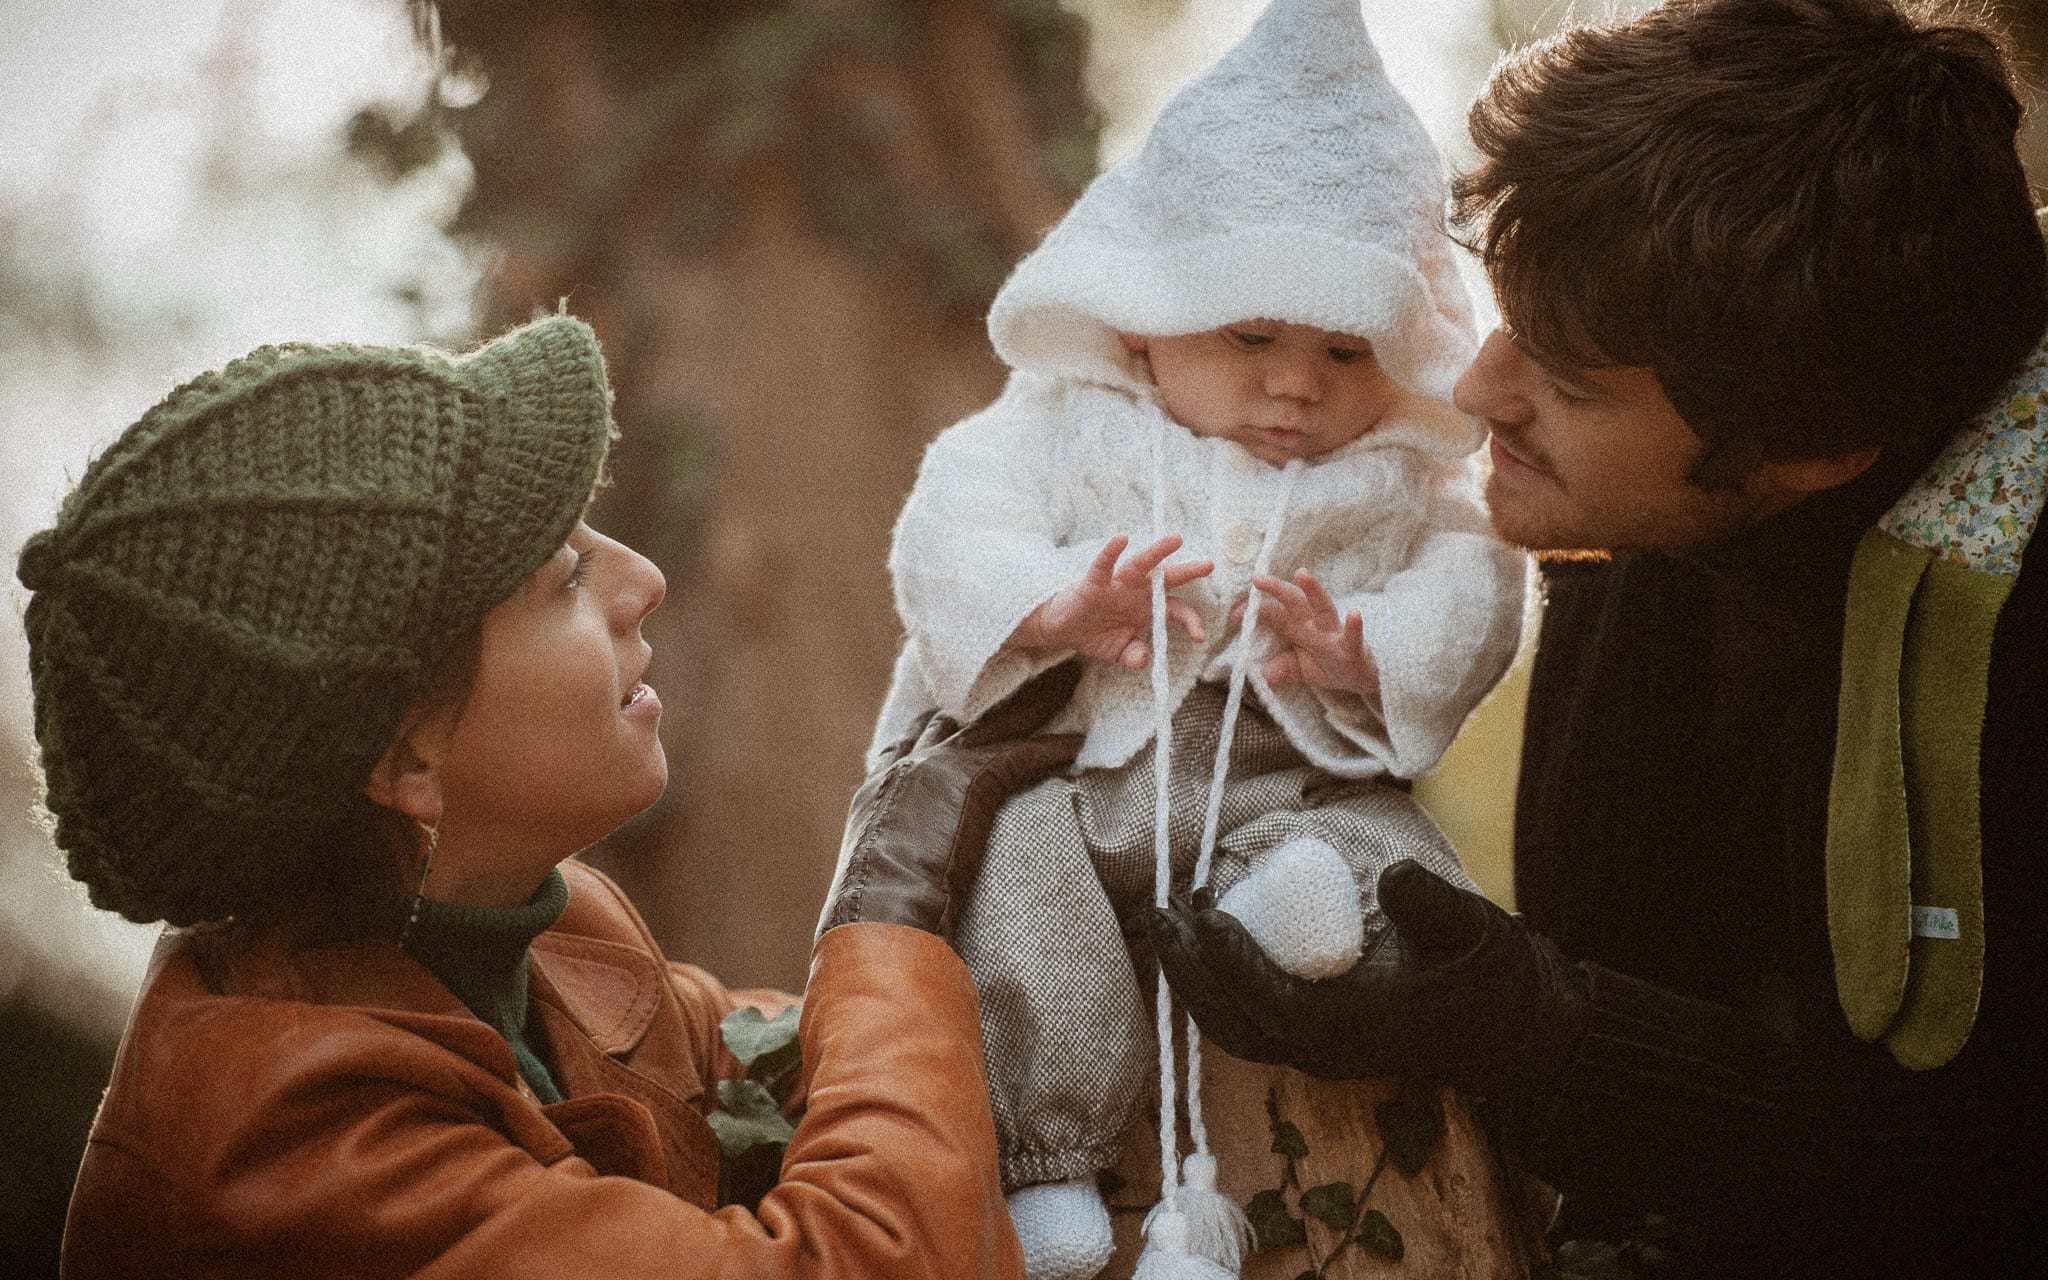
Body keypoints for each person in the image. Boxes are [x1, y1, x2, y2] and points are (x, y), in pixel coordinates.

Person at [1146, 1, 2048, 1276]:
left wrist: (1535, 1027)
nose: (1474, 391)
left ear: (1808, 453)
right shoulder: (1647, 526)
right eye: (1507, 318)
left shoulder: (2005, 662)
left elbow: (1979, 1183)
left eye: (1565, 383)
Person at [20, 313, 1080, 1279]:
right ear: (404, 763)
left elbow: (796, 1065)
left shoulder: (539, 924)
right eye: (564, 578)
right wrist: (887, 898)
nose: (640, 579)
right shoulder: (292, 1149)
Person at [872, 1, 1524, 1275]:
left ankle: (1293, 900)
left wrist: (1367, 650)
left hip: (1286, 778)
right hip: (1077, 773)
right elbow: (952, 524)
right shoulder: (1062, 421)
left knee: (1392, 856)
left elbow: (1479, 584)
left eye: (1345, 348)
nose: (1295, 384)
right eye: (1248, 336)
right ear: (1137, 314)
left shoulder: (1399, 474)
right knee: (1012, 878)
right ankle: (1049, 1163)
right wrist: (1052, 604)